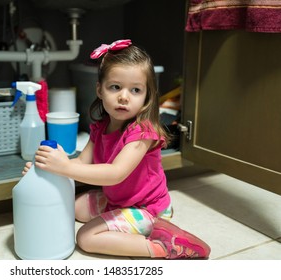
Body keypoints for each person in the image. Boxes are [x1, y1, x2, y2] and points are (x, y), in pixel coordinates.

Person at [23, 39, 211, 259]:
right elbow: (82, 163)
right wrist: (45, 170)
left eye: (135, 90)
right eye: (115, 87)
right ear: (100, 90)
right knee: (74, 207)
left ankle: (164, 246)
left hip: (147, 208)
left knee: (86, 238)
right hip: (117, 200)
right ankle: (122, 219)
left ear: (146, 97)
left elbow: (115, 173)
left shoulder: (143, 132)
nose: (124, 96)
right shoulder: (101, 127)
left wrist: (63, 167)